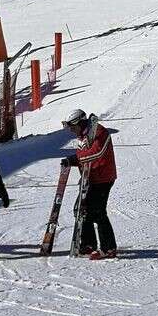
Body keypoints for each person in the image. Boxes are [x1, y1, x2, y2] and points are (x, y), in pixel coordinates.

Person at [61, 109, 119, 259]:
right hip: (90, 178)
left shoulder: (100, 132)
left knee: (97, 212)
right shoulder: (83, 136)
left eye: (73, 127)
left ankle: (108, 248)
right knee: (80, 210)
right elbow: (85, 155)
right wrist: (72, 160)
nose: (72, 131)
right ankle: (88, 244)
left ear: (79, 123)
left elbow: (97, 152)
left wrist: (76, 158)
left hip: (103, 178)